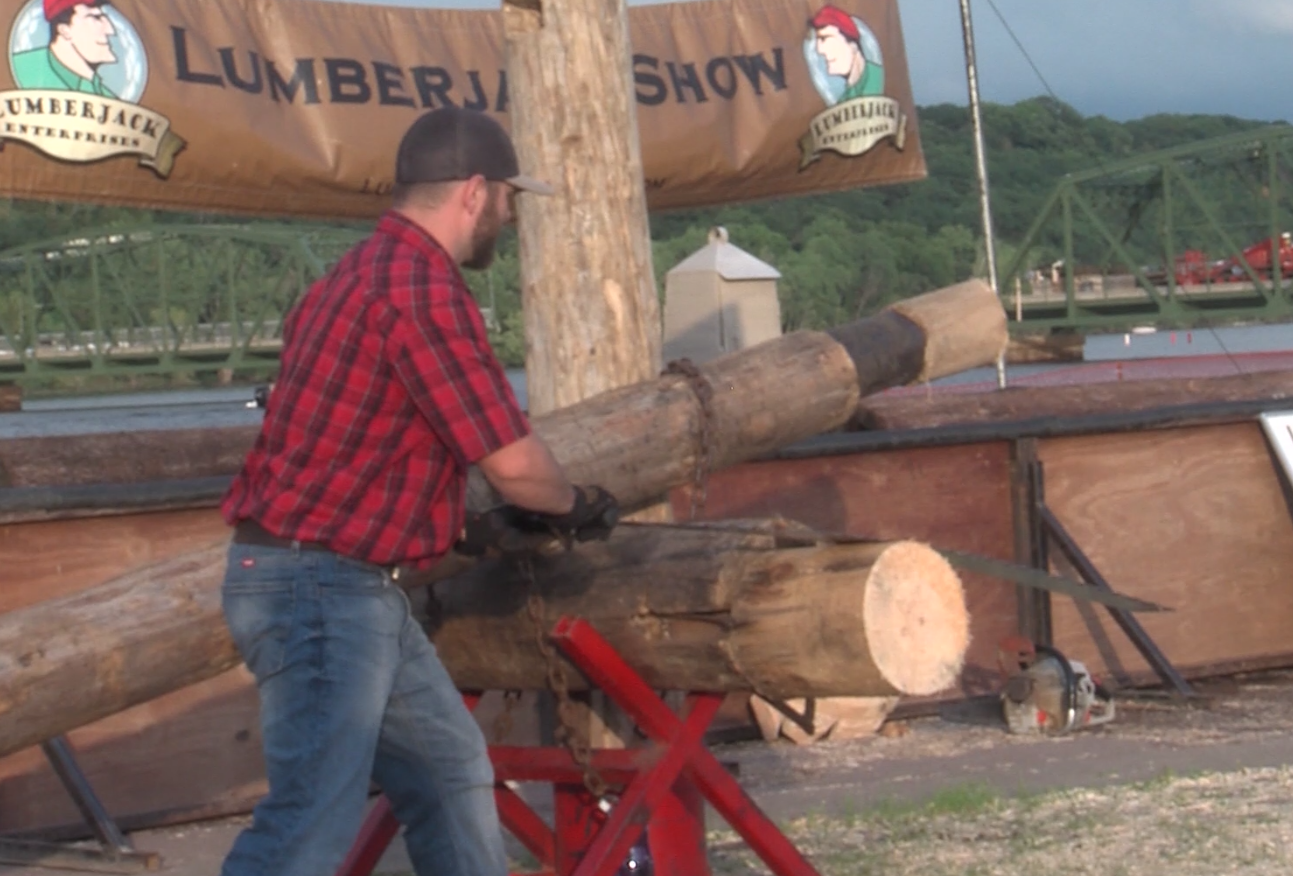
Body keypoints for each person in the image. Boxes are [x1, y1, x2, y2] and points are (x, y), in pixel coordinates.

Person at [219, 106, 617, 876]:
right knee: (306, 827)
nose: (507, 214)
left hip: (334, 582)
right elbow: (513, 464)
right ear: (473, 191)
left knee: (448, 775)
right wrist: (574, 505)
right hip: (324, 592)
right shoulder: (422, 289)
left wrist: (457, 527)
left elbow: (351, 451)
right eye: (508, 197)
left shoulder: (353, 273)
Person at [12, 0, 119, 97]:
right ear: (64, 31)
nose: (111, 30)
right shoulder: (21, 67)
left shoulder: (109, 98)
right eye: (96, 18)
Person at [810, 5, 884, 104]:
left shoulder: (876, 77)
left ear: (853, 46)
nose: (819, 49)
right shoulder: (843, 101)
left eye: (824, 39)